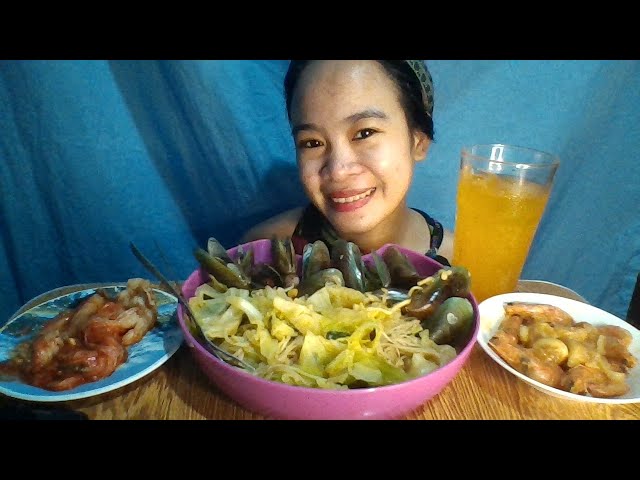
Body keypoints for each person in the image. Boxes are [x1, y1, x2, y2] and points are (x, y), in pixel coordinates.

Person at [241, 60, 453, 265]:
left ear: (419, 141)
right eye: (312, 142)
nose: (338, 170)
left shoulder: (468, 264)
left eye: (364, 133)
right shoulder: (261, 254)